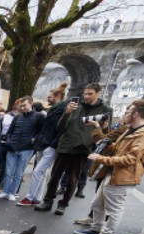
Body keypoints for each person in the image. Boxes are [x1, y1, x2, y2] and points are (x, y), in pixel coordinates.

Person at [72, 100, 144, 234]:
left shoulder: (141, 134)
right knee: (97, 204)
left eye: (128, 112)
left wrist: (102, 158)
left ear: (136, 114)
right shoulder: (129, 129)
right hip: (112, 173)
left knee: (114, 209)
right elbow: (117, 150)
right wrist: (108, 147)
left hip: (124, 177)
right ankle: (95, 229)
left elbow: (130, 159)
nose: (125, 114)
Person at [36, 83, 112, 215]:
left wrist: (103, 127)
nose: (86, 96)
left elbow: (106, 134)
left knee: (72, 180)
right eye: (85, 93)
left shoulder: (106, 109)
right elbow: (60, 127)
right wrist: (67, 113)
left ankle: (63, 204)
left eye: (90, 94)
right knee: (54, 177)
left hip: (83, 149)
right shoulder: (75, 106)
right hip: (65, 146)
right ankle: (48, 201)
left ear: (98, 93)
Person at [17, 83, 67, 206]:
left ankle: (29, 198)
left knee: (38, 172)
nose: (47, 99)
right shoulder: (54, 109)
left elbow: (60, 129)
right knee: (41, 173)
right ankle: (36, 198)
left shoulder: (62, 110)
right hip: (44, 144)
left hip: (49, 145)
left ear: (58, 96)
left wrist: (52, 144)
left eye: (50, 97)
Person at [0, 96, 41, 202]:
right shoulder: (17, 117)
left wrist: (34, 139)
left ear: (31, 103)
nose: (22, 108)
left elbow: (41, 131)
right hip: (12, 147)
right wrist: (9, 141)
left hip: (27, 148)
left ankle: (12, 192)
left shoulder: (38, 116)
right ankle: (5, 191)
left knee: (19, 173)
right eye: (21, 106)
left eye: (24, 105)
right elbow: (10, 131)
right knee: (9, 171)